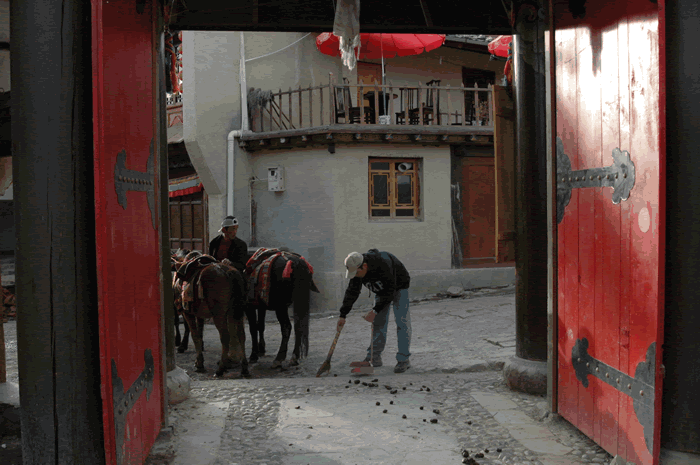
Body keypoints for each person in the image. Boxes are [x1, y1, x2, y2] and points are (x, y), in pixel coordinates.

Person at [336, 249, 412, 373]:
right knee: (378, 323)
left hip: (399, 286)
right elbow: (352, 292)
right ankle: (373, 358)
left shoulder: (383, 264)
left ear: (364, 266)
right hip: (381, 291)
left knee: (402, 322)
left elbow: (390, 291)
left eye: (356, 273)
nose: (355, 276)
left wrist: (375, 310)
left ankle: (403, 360)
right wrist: (342, 315)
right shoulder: (357, 269)